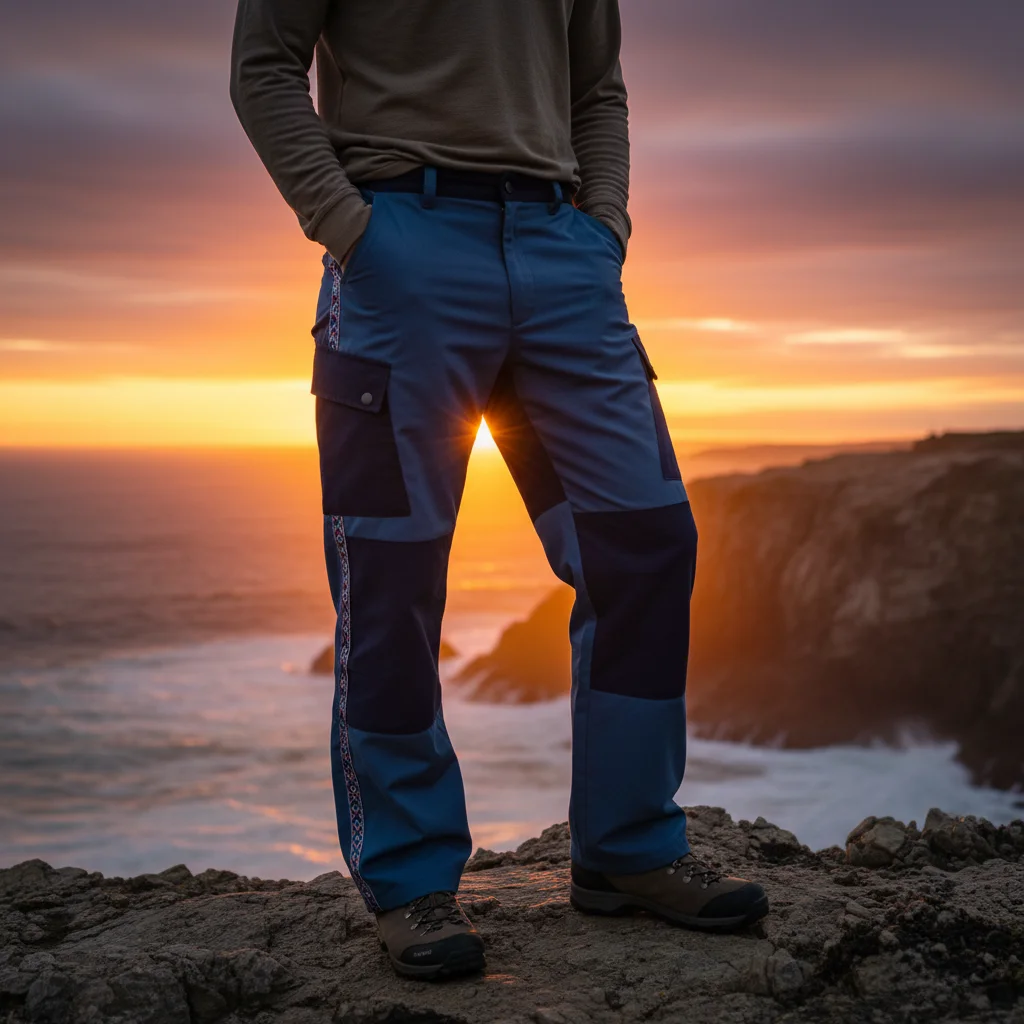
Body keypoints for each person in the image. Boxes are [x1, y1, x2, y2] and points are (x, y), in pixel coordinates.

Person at [230, 0, 768, 981]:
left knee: (646, 540)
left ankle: (629, 846)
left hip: (563, 249)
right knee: (391, 578)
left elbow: (595, 88)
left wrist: (602, 229)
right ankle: (409, 876)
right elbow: (263, 67)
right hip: (399, 236)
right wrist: (352, 229)